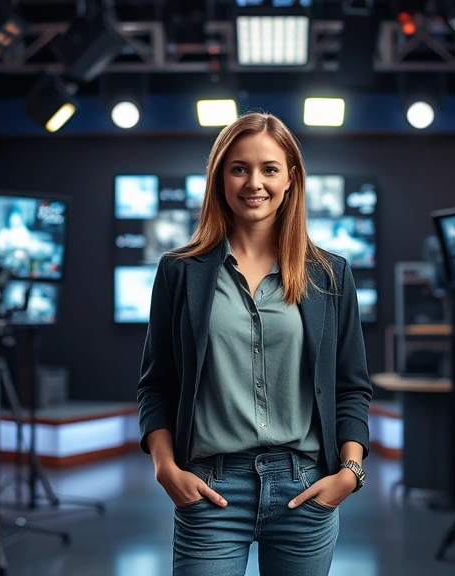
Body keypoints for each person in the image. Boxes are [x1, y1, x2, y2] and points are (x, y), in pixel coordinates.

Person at [137, 112, 373, 576]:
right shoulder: (179, 272)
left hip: (305, 486)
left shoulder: (329, 274)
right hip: (210, 488)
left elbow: (351, 386)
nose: (254, 183)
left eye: (269, 168)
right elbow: (156, 385)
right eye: (239, 168)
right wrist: (166, 468)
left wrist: (350, 473)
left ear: (291, 179)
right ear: (220, 177)